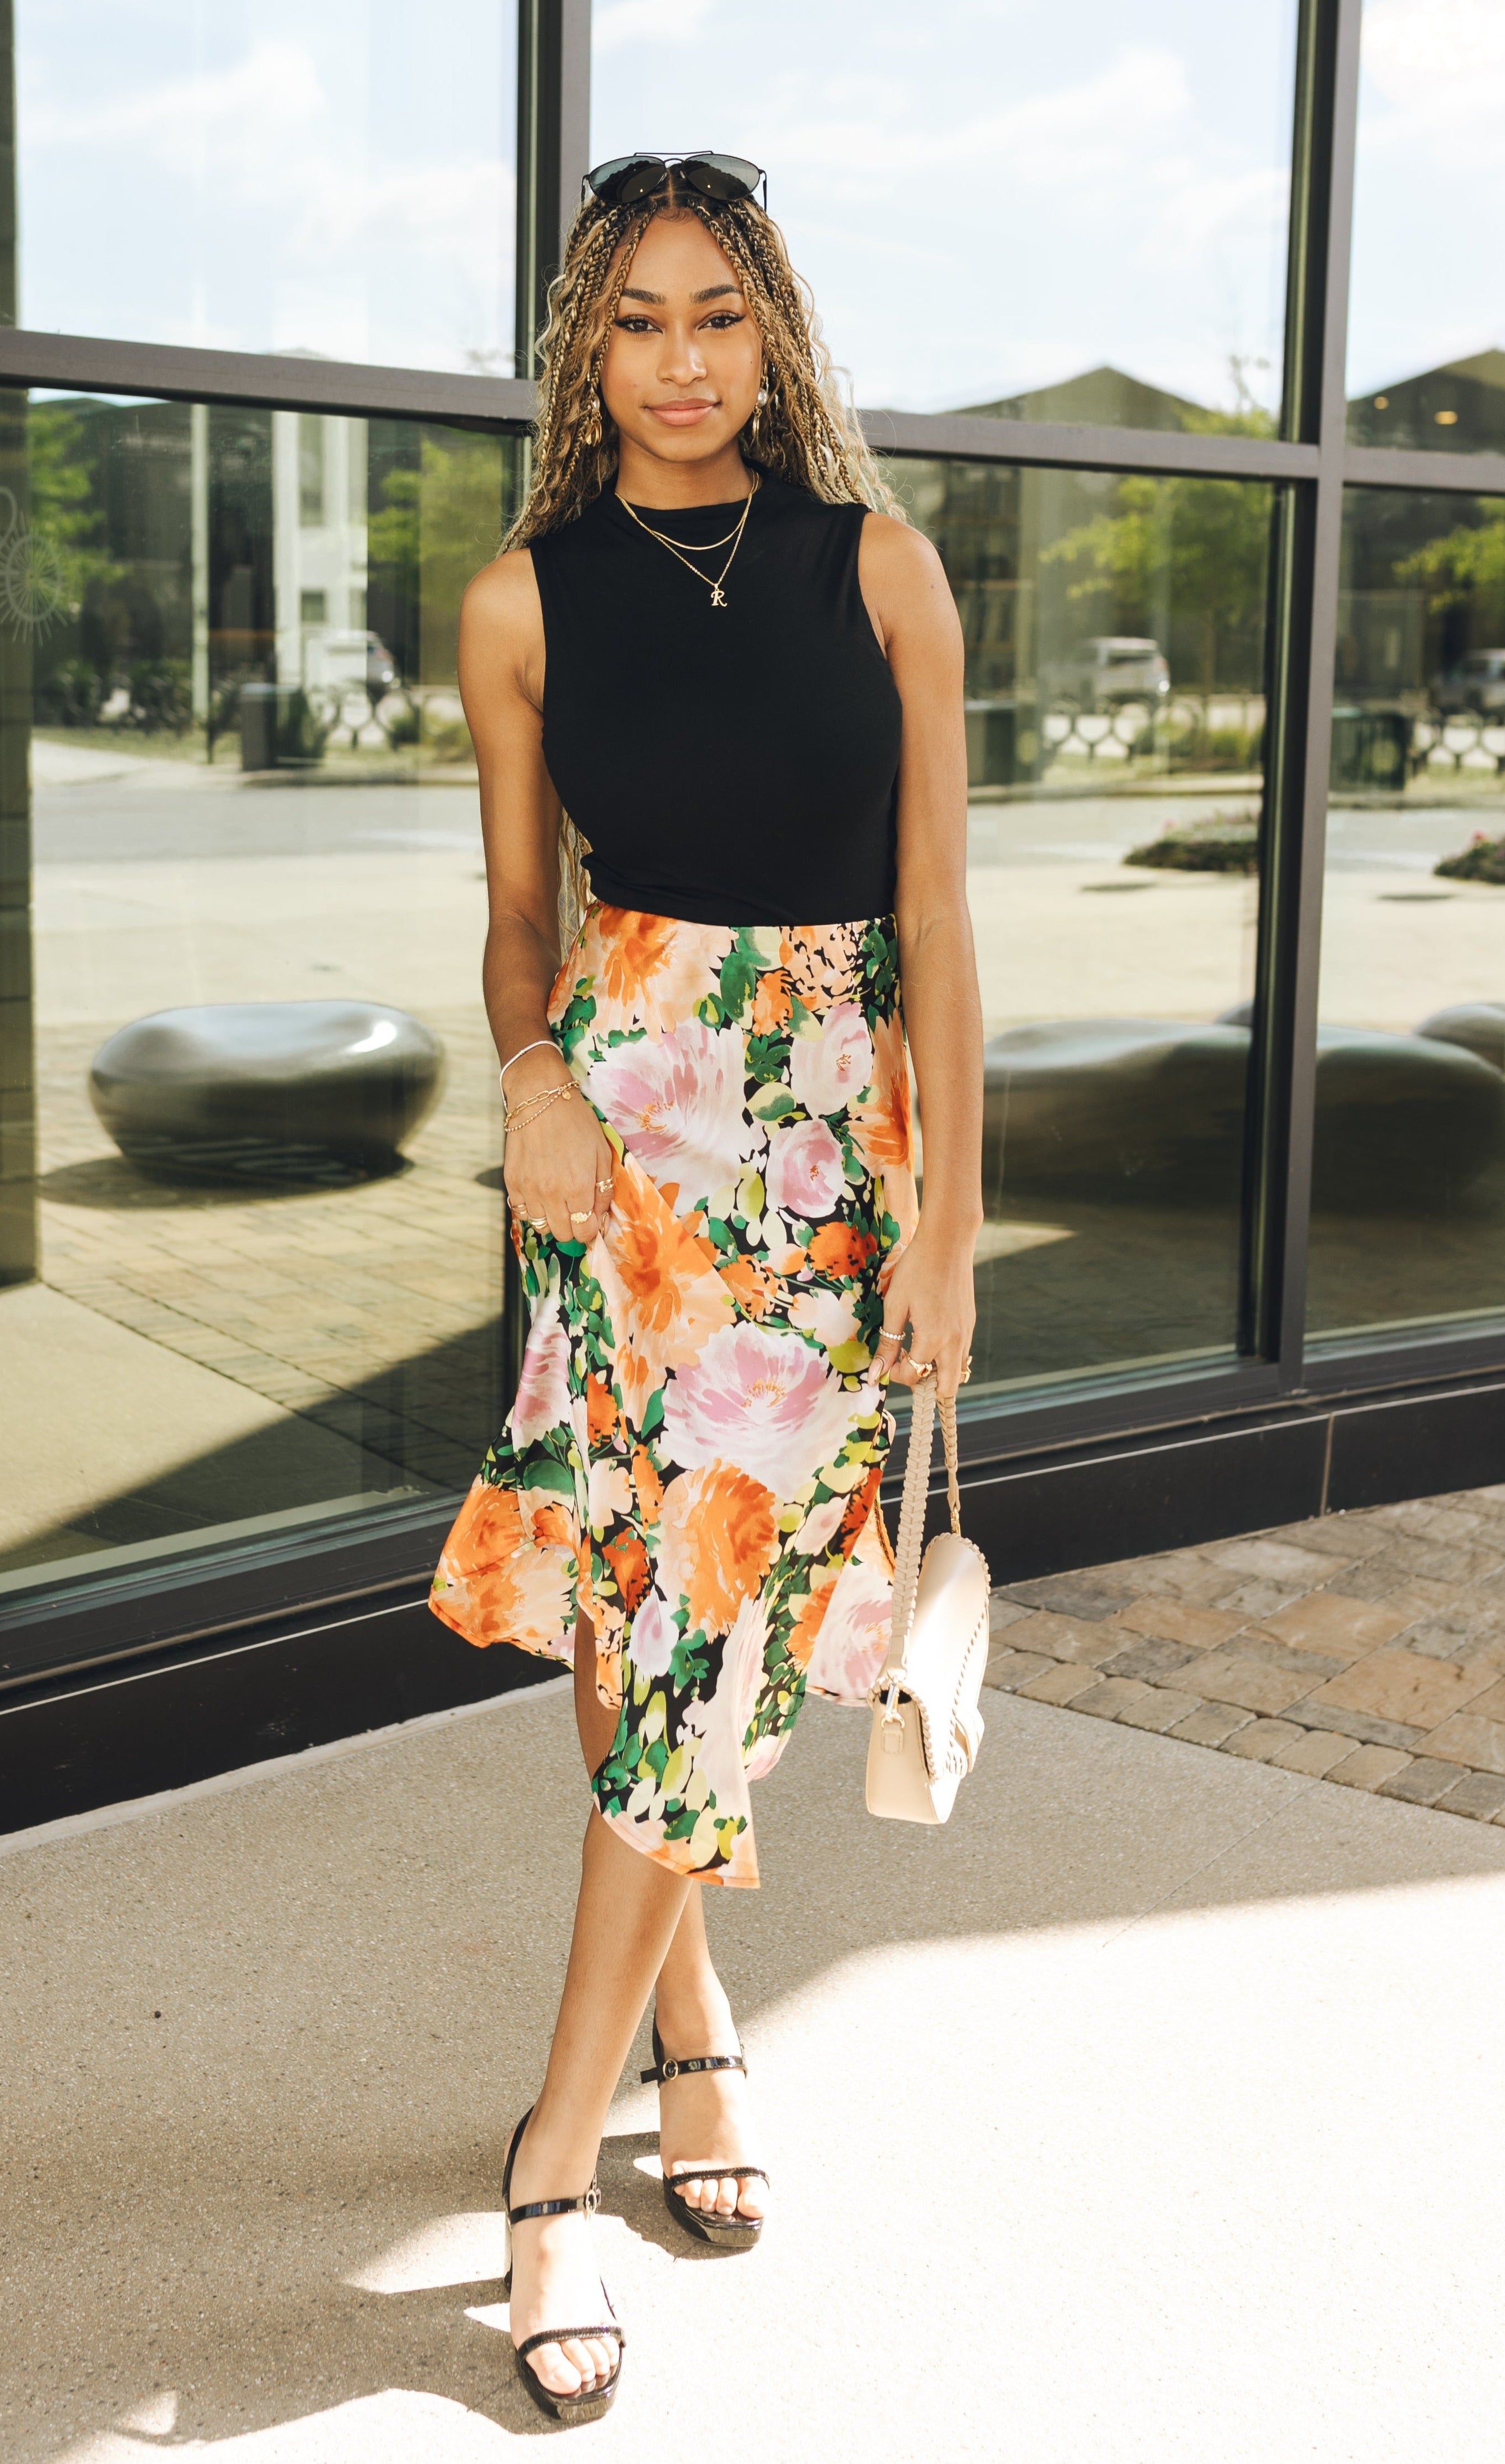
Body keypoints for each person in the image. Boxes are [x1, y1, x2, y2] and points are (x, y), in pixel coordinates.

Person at [429, 150, 983, 2425]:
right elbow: (514, 920)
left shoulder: (885, 569)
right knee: (639, 1595)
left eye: (719, 318)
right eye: (638, 320)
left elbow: (939, 915)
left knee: (715, 1620)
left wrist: (950, 1205)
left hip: (841, 1147)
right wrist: (533, 1065)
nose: (679, 362)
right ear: (585, 348)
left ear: (776, 338)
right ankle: (655, 2067)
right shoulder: (520, 604)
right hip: (631, 1136)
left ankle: (567, 2142)